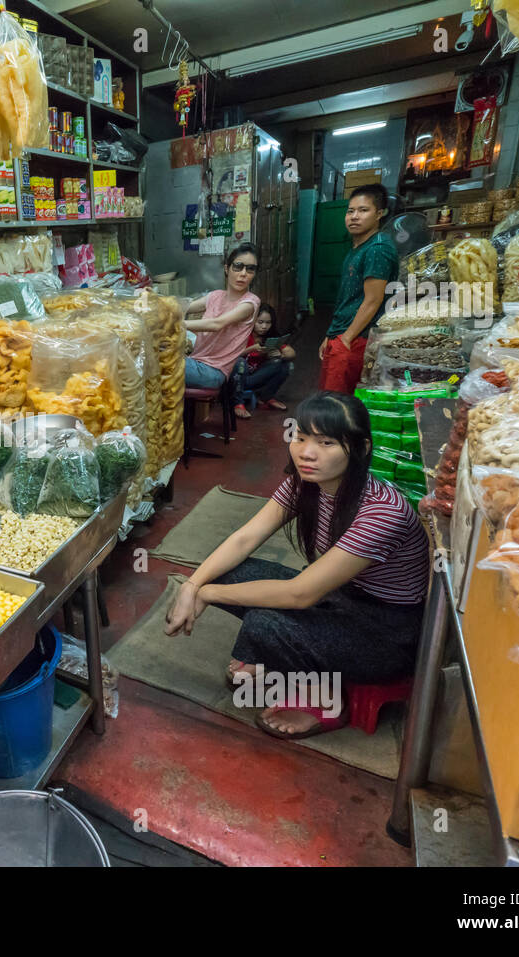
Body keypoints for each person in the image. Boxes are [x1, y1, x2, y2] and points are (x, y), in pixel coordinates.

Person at [163, 391, 429, 739]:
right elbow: (245, 538)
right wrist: (192, 585)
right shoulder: (305, 484)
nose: (307, 452)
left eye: (326, 442)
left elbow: (300, 594)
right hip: (340, 597)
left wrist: (207, 593)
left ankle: (329, 702)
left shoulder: (382, 512)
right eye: (301, 437)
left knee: (263, 624)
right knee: (229, 569)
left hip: (385, 633)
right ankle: (291, 662)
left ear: (362, 449)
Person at [319, 184, 398, 394]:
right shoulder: (359, 246)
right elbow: (349, 297)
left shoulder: (377, 249)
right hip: (342, 335)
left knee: (337, 404)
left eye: (363, 210)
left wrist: (346, 338)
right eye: (350, 211)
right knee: (328, 400)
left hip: (357, 338)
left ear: (379, 214)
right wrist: (331, 334)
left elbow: (373, 300)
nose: (354, 216)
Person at [183, 243, 261, 392]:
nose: (243, 273)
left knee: (154, 362)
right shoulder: (215, 296)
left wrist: (177, 323)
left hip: (213, 372)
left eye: (250, 269)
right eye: (238, 266)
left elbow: (217, 324)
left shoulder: (250, 303)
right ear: (227, 268)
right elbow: (185, 306)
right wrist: (155, 302)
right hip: (195, 363)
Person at [230, 303, 295, 419]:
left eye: (268, 323)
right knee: (240, 362)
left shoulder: (270, 337)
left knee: (287, 365)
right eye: (260, 322)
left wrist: (280, 355)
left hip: (255, 378)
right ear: (252, 320)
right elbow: (229, 356)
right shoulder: (243, 335)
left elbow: (291, 353)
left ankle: (266, 397)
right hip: (237, 379)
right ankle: (238, 403)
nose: (264, 326)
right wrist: (251, 349)